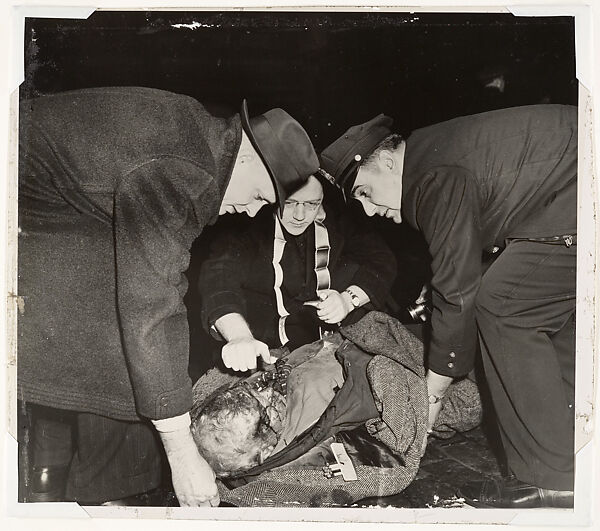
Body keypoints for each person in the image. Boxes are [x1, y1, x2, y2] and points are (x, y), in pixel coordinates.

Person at [17, 86, 319, 506]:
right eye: (257, 195)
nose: (252, 210)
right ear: (249, 156)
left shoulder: (199, 134)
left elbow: (158, 276)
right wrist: (182, 455)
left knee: (115, 339)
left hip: (46, 198)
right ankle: (110, 499)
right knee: (127, 362)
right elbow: (153, 304)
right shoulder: (182, 173)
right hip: (19, 193)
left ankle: (48, 485)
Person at [319, 105, 577, 508]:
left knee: (503, 305)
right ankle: (573, 454)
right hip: (568, 190)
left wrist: (433, 394)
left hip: (578, 187)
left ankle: (552, 480)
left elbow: (459, 291)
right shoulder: (432, 153)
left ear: (387, 161)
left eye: (365, 192)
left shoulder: (431, 176)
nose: (369, 211)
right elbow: (459, 260)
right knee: (542, 313)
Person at [198, 174, 396, 371]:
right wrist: (239, 336)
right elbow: (219, 279)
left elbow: (381, 260)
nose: (300, 215)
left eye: (312, 204)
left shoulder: (339, 218)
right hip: (266, 347)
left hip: (334, 342)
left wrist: (348, 299)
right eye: (290, 203)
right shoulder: (245, 226)